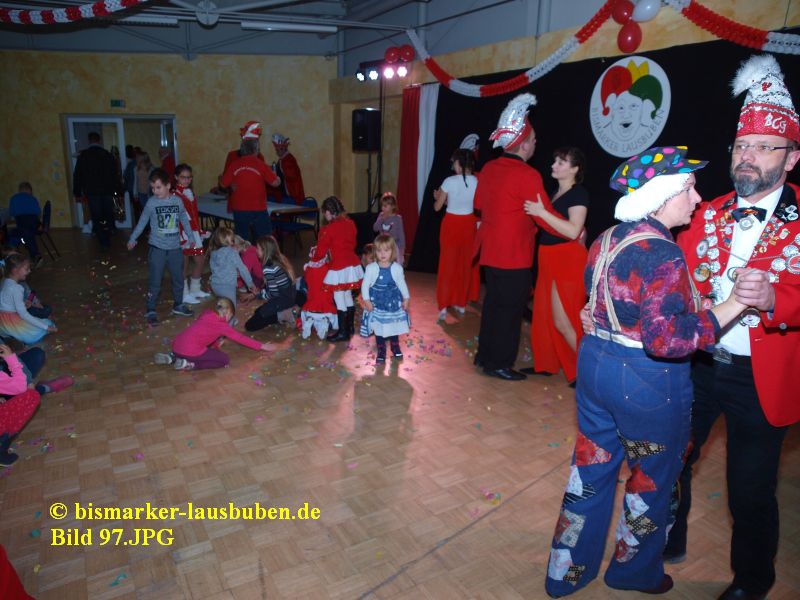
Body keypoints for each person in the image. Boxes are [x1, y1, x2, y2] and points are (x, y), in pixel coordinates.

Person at [545, 146, 749, 598]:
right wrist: (732, 306)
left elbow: (597, 305)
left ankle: (565, 572)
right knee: (652, 481)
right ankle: (633, 573)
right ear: (662, 195)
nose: (697, 199)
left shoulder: (606, 238)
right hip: (646, 382)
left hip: (595, 367)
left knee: (589, 473)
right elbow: (666, 341)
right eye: (689, 188)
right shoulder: (662, 253)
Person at [664, 54, 800, 600]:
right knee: (672, 460)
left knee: (750, 489)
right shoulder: (703, 210)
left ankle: (751, 581)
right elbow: (668, 274)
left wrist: (777, 298)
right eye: (742, 145)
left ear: (792, 157)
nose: (747, 155)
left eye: (764, 146)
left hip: (759, 376)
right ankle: (667, 539)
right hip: (697, 363)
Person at [473, 93, 561, 381]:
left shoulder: (489, 168)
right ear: (523, 144)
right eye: (533, 140)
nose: (536, 143)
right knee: (509, 311)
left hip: (490, 250)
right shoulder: (527, 174)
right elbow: (544, 216)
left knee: (493, 305)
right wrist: (572, 229)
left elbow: (478, 204)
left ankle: (485, 356)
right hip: (514, 253)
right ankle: (498, 363)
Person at [522, 147, 589, 383]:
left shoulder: (579, 194)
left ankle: (589, 371)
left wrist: (542, 212)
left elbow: (572, 231)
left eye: (561, 162)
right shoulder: (556, 194)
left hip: (567, 260)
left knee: (564, 320)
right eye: (555, 161)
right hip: (549, 257)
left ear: (575, 169)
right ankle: (547, 364)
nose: (554, 165)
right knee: (544, 316)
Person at [127, 169, 195, 325]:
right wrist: (133, 238)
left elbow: (184, 219)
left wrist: (190, 236)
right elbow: (142, 221)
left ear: (168, 185)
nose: (155, 191)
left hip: (175, 249)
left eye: (158, 187)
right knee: (155, 281)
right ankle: (151, 309)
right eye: (152, 188)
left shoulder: (177, 201)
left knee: (178, 278)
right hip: (157, 249)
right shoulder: (152, 203)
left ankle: (178, 304)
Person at [154, 297, 273, 371]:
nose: (230, 319)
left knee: (192, 349)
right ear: (228, 312)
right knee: (224, 360)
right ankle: (189, 365)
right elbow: (240, 338)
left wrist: (216, 344)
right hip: (191, 351)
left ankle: (173, 357)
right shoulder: (222, 326)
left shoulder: (206, 313)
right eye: (231, 316)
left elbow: (204, 333)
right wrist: (262, 346)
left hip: (176, 346)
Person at [433, 148, 480, 321]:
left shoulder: (449, 181)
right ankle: (460, 303)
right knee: (464, 265)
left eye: (454, 162)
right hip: (469, 224)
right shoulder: (477, 181)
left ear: (459, 163)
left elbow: (437, 207)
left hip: (451, 224)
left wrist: (438, 197)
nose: (453, 165)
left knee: (447, 265)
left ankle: (444, 305)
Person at [311, 196, 364, 342]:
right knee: (347, 295)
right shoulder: (351, 223)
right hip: (352, 263)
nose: (325, 217)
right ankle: (350, 327)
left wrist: (314, 256)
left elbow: (320, 252)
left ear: (328, 212)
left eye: (325, 213)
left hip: (339, 266)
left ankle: (343, 332)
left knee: (339, 297)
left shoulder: (328, 229)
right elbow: (353, 244)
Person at [360, 234, 410, 364]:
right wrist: (367, 301)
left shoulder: (397, 268)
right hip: (377, 303)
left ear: (392, 251)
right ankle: (381, 350)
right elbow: (365, 285)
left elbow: (401, 283)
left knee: (393, 325)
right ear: (375, 252)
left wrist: (406, 298)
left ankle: (395, 346)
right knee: (379, 328)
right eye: (379, 250)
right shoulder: (371, 268)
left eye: (386, 250)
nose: (382, 254)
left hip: (393, 303)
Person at [221, 136, 281, 242]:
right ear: (256, 150)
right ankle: (263, 253)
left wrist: (231, 185)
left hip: (239, 208)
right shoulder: (260, 164)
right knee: (265, 239)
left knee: (241, 239)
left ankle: (243, 253)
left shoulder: (234, 164)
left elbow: (222, 184)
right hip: (258, 208)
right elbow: (275, 183)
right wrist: (278, 178)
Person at [72, 131, 117, 248]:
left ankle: (102, 240)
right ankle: (108, 236)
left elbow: (78, 175)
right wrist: (118, 190)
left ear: (89, 141)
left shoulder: (84, 156)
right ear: (99, 140)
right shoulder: (107, 155)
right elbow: (114, 174)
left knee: (96, 216)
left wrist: (77, 192)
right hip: (107, 190)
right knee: (108, 214)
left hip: (92, 191)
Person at [0, 253, 56, 344]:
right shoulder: (17, 288)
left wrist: (23, 304)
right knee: (48, 324)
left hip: (2, 323)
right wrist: (47, 328)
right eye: (26, 269)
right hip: (12, 322)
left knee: (40, 318)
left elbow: (6, 304)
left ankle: (11, 337)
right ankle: (17, 338)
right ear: (15, 270)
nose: (29, 271)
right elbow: (24, 315)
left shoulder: (5, 281)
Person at [174, 164, 210, 305]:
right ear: (176, 177)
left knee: (200, 260)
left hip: (194, 231)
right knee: (184, 263)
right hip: (182, 233)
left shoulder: (190, 193)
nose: (187, 180)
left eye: (189, 177)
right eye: (183, 177)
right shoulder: (174, 195)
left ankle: (195, 289)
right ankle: (184, 294)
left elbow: (194, 214)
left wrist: (198, 231)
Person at [244, 236, 297, 332]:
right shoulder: (278, 260)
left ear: (265, 251)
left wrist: (259, 294)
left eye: (258, 248)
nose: (256, 250)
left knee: (249, 326)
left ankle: (284, 314)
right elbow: (274, 287)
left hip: (281, 301)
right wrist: (258, 293)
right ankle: (283, 311)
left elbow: (273, 294)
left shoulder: (268, 268)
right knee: (257, 312)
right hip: (288, 297)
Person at [208, 226, 259, 309]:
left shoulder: (213, 253)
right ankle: (230, 317)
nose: (233, 242)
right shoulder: (232, 252)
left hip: (215, 286)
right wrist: (250, 284)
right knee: (231, 309)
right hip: (227, 286)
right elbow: (243, 269)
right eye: (232, 240)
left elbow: (214, 269)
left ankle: (221, 316)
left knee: (222, 307)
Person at [299, 250, 337, 340]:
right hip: (326, 309)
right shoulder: (329, 269)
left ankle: (310, 322)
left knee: (307, 315)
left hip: (310, 309)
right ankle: (325, 323)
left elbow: (304, 284)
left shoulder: (308, 269)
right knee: (335, 322)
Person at [7, 182, 43, 268]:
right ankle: (35, 255)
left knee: (15, 234)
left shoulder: (14, 198)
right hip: (33, 223)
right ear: (29, 190)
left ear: (20, 190)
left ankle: (10, 256)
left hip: (21, 222)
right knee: (25, 234)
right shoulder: (33, 198)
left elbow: (11, 213)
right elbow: (38, 212)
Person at [268, 132, 306, 205]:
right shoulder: (283, 160)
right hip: (286, 197)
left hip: (291, 197)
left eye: (278, 149)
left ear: (284, 148)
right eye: (276, 149)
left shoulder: (288, 160)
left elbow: (290, 177)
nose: (277, 152)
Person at [372, 192, 406, 265]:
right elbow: (375, 228)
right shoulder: (381, 216)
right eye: (382, 206)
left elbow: (401, 235)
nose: (382, 208)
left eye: (385, 206)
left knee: (393, 264)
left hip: (393, 246)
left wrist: (402, 248)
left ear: (392, 206)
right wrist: (381, 219)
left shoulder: (397, 219)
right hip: (382, 245)